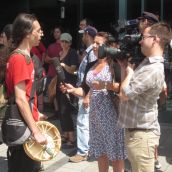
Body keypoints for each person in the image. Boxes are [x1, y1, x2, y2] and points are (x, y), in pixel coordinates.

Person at [61, 32, 127, 172]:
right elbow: (84, 90)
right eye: (94, 43)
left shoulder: (114, 63)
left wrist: (105, 85)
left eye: (98, 43)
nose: (95, 46)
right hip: (95, 117)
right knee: (101, 154)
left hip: (112, 116)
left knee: (115, 155)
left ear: (107, 46)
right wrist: (72, 90)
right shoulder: (91, 64)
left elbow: (123, 86)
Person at [118, 22, 172, 172]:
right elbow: (126, 87)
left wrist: (129, 73)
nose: (140, 41)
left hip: (142, 137)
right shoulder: (146, 63)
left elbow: (123, 94)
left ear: (155, 39)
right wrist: (124, 69)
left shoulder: (152, 69)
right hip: (137, 133)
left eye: (144, 37)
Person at [5, 13, 47, 172]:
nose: (41, 33)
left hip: (25, 125)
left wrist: (37, 113)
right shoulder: (20, 59)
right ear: (27, 33)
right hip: (23, 130)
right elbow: (20, 99)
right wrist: (36, 131)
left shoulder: (25, 57)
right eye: (38, 30)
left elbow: (27, 96)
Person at [69, 26, 97, 162]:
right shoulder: (90, 52)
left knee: (82, 122)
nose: (82, 37)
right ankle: (88, 150)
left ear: (87, 34)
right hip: (85, 91)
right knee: (85, 121)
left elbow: (93, 76)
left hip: (86, 92)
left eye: (83, 34)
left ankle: (83, 152)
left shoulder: (92, 52)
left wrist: (87, 95)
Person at [57, 33, 78, 148]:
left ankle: (72, 137)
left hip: (69, 85)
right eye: (62, 41)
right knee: (61, 111)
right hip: (59, 84)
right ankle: (65, 134)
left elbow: (73, 69)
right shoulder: (59, 53)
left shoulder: (72, 53)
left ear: (70, 43)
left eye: (66, 41)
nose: (63, 43)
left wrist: (64, 65)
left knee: (66, 111)